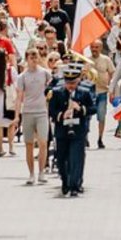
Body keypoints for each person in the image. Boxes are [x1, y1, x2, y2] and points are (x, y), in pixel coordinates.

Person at [49, 61, 95, 196]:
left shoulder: (84, 92)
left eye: (73, 83)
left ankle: (75, 184)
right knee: (62, 159)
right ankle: (65, 181)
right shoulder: (57, 93)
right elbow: (51, 110)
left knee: (76, 158)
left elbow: (93, 108)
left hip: (79, 130)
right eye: (68, 83)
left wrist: (80, 108)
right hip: (62, 130)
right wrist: (62, 114)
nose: (71, 86)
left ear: (78, 80)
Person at [16, 45, 50, 185]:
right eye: (31, 57)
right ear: (27, 59)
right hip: (28, 112)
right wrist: (16, 115)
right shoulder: (22, 76)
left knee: (43, 142)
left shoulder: (45, 73)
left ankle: (41, 172)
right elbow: (19, 96)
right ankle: (31, 173)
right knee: (29, 144)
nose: (34, 59)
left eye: (36, 56)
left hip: (42, 112)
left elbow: (51, 89)